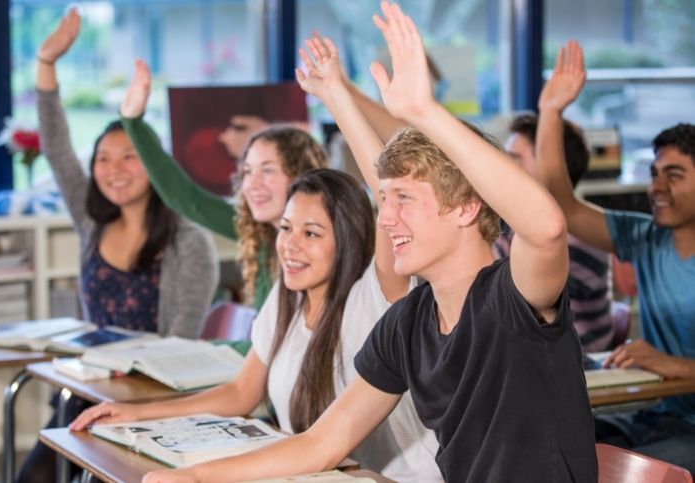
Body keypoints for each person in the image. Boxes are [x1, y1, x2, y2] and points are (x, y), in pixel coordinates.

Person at [132, 3, 597, 482]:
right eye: (384, 200)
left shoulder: (513, 295)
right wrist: (194, 477)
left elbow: (546, 226)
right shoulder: (409, 321)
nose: (386, 218)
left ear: (466, 208)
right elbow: (320, 443)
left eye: (404, 202)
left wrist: (424, 112)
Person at [71, 170, 442, 483]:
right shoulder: (288, 293)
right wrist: (136, 412)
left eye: (311, 234)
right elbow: (240, 393)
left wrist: (336, 93)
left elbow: (381, 182)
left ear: (348, 240)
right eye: (285, 228)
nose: (290, 246)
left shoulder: (373, 296)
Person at [18, 10, 217, 483]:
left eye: (131, 156)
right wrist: (46, 63)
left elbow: (179, 348)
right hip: (86, 392)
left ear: (155, 163)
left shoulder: (189, 242)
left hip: (152, 406)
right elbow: (57, 147)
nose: (115, 169)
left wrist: (126, 397)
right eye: (103, 158)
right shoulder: (91, 221)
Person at [534, 40, 695, 471]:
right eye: (654, 174)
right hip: (653, 415)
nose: (655, 188)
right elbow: (562, 206)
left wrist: (670, 364)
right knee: (551, 447)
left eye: (674, 176)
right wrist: (551, 112)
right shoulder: (644, 236)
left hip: (688, 432)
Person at [120, 60, 328, 309]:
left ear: (300, 175)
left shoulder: (322, 249)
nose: (253, 184)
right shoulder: (260, 232)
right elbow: (187, 200)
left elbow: (282, 347)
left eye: (268, 170)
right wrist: (133, 122)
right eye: (248, 172)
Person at [494, 113, 614, 351]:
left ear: (553, 166)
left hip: (578, 367)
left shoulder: (580, 238)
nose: (504, 167)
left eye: (516, 158)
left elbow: (515, 305)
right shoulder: (511, 223)